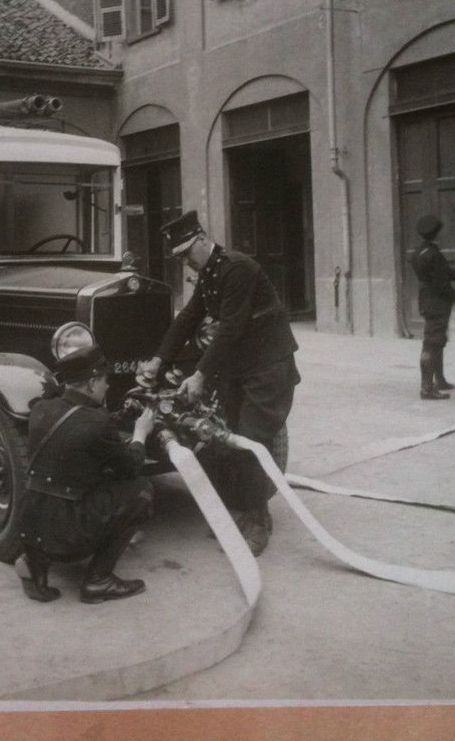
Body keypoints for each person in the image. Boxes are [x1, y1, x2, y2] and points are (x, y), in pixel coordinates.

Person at [138, 210, 299, 557]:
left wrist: (199, 374)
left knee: (252, 439)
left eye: (185, 254)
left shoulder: (236, 268)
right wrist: (158, 359)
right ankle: (240, 507)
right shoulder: (211, 272)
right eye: (179, 257)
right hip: (240, 366)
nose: (184, 263)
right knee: (221, 434)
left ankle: (257, 522)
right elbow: (188, 318)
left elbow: (231, 327)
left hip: (267, 367)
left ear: (200, 239)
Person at [15, 344, 157, 604]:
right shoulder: (98, 422)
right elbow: (132, 468)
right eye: (104, 381)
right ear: (92, 383)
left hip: (29, 524)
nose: (108, 387)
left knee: (66, 481)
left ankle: (35, 563)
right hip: (69, 536)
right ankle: (99, 580)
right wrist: (140, 434)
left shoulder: (41, 409)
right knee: (142, 489)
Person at [410, 214, 455, 400]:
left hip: (426, 300)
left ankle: (439, 380)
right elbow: (440, 285)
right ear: (437, 234)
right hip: (437, 304)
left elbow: (434, 276)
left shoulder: (418, 253)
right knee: (432, 342)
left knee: (437, 340)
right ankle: (427, 388)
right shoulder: (435, 256)